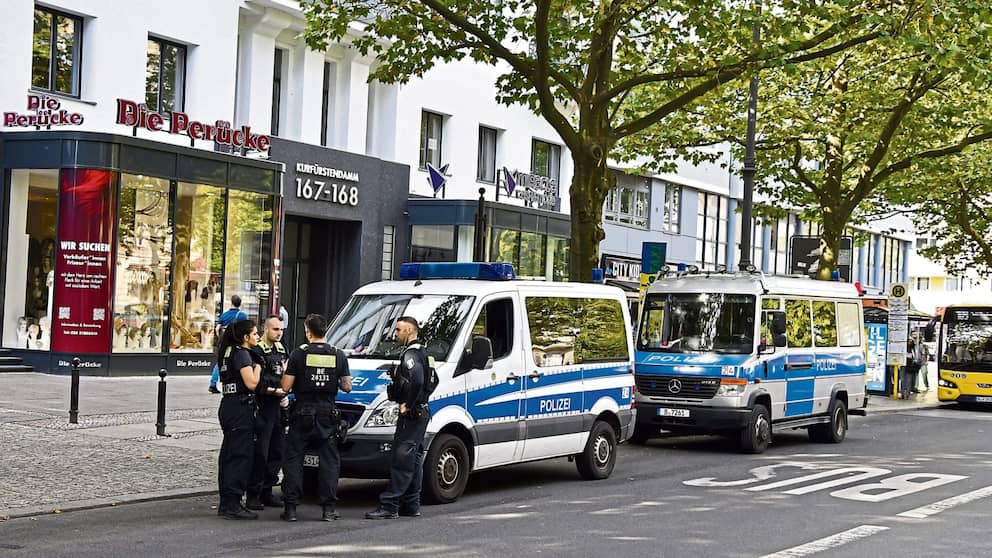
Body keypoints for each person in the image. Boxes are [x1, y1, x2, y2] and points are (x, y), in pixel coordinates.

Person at [280, 314, 351, 522]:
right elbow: (347, 386)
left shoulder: (298, 354)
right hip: (327, 414)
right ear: (325, 331)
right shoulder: (338, 355)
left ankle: (291, 508)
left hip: (302, 413)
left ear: (308, 331)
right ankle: (328, 509)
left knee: (294, 459)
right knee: (329, 461)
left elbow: (285, 387)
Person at [366, 316, 431, 520]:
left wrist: (408, 404)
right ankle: (411, 505)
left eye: (398, 330)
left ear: (410, 331)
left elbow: (418, 379)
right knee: (414, 459)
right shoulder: (424, 352)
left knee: (402, 459)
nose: (395, 334)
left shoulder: (411, 354)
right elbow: (433, 380)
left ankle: (390, 505)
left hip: (412, 415)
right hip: (421, 413)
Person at [216, 319, 263, 520]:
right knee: (240, 455)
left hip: (228, 404)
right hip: (240, 407)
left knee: (228, 454)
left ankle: (226, 501)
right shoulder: (242, 354)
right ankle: (233, 503)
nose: (258, 337)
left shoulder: (227, 351)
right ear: (245, 337)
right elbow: (251, 383)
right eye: (254, 334)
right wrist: (259, 366)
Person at [245, 315, 289, 511]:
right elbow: (256, 383)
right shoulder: (257, 350)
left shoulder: (281, 349)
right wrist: (274, 391)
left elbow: (285, 375)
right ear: (266, 330)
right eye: (275, 329)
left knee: (276, 451)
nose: (279, 333)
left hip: (277, 406)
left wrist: (286, 394)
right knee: (260, 452)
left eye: (281, 330)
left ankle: (267, 490)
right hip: (262, 406)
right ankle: (253, 494)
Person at [209, 295, 249, 393]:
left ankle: (213, 383)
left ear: (231, 302)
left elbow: (217, 328)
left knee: (220, 361)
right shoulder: (242, 315)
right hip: (236, 342)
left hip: (225, 342)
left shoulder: (224, 315)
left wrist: (220, 338)